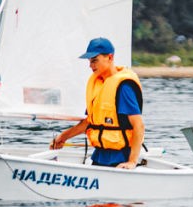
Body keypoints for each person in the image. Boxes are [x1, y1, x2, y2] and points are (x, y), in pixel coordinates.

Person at [51, 37, 144, 169]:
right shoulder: (98, 85)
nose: (91, 65)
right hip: (100, 155)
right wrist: (63, 137)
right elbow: (89, 122)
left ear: (110, 57)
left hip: (121, 158)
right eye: (90, 61)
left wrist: (132, 162)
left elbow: (139, 126)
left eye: (95, 60)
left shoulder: (123, 87)